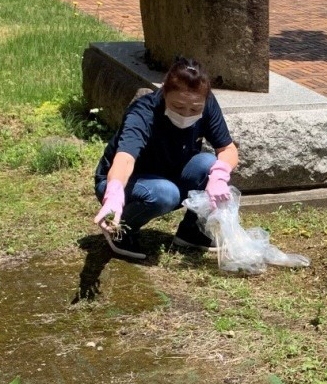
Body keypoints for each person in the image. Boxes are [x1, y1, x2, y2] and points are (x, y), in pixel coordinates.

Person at [92, 57, 238, 260]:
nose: (187, 113)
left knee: (209, 165)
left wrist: (219, 176)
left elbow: (227, 148)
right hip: (127, 181)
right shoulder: (143, 112)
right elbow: (124, 158)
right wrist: (114, 191)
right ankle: (120, 228)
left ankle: (192, 232)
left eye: (195, 109)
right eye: (178, 106)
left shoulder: (208, 104)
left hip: (169, 173)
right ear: (164, 94)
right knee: (165, 193)